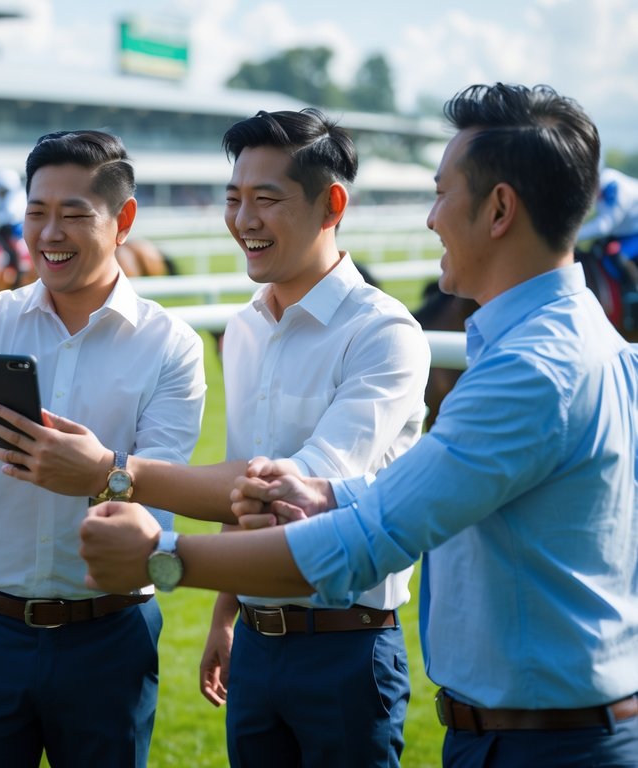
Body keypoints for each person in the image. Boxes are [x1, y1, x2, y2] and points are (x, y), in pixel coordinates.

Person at [78, 83, 638, 768]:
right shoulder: (570, 342)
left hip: (543, 744)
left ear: (497, 209)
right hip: (542, 731)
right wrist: (322, 496)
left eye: (440, 193)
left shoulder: (529, 369)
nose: (431, 218)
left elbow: (367, 543)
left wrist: (162, 557)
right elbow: (407, 492)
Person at [0, 109, 429, 767]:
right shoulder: (245, 327)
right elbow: (239, 482)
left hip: (346, 646)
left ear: (330, 204)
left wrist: (112, 473)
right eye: (233, 199)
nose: (242, 219)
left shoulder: (382, 333)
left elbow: (294, 497)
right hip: (255, 643)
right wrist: (226, 616)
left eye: (265, 200)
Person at [0, 129, 207, 766]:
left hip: (109, 637)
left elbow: (159, 501)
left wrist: (103, 474)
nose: (49, 233)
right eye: (37, 213)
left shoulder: (172, 345)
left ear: (123, 220)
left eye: (74, 215)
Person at [576, 166, 638, 324]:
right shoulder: (600, 186)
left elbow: (604, 225)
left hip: (633, 232)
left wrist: (572, 235)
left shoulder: (614, 187)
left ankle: (633, 300)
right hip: (624, 230)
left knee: (619, 256)